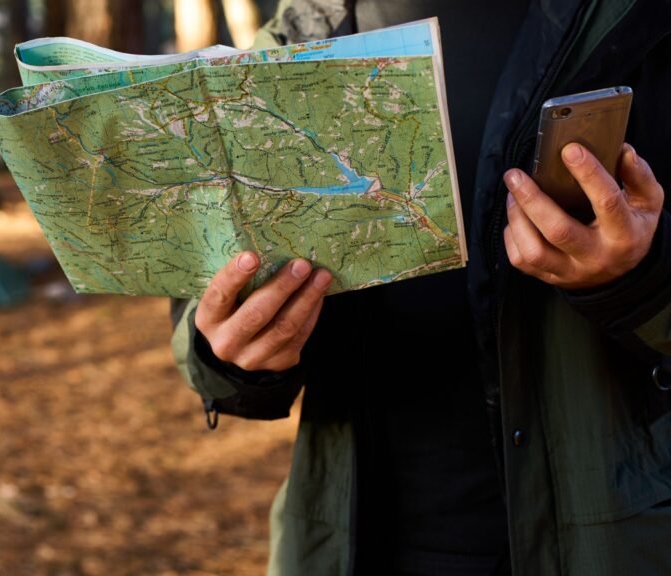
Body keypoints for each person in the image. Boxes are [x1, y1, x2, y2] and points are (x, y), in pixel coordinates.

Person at [169, 1, 671, 574]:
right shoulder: (306, 24)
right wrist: (229, 352)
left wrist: (643, 282)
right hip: (354, 547)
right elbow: (202, 290)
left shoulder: (638, 17)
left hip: (616, 544)